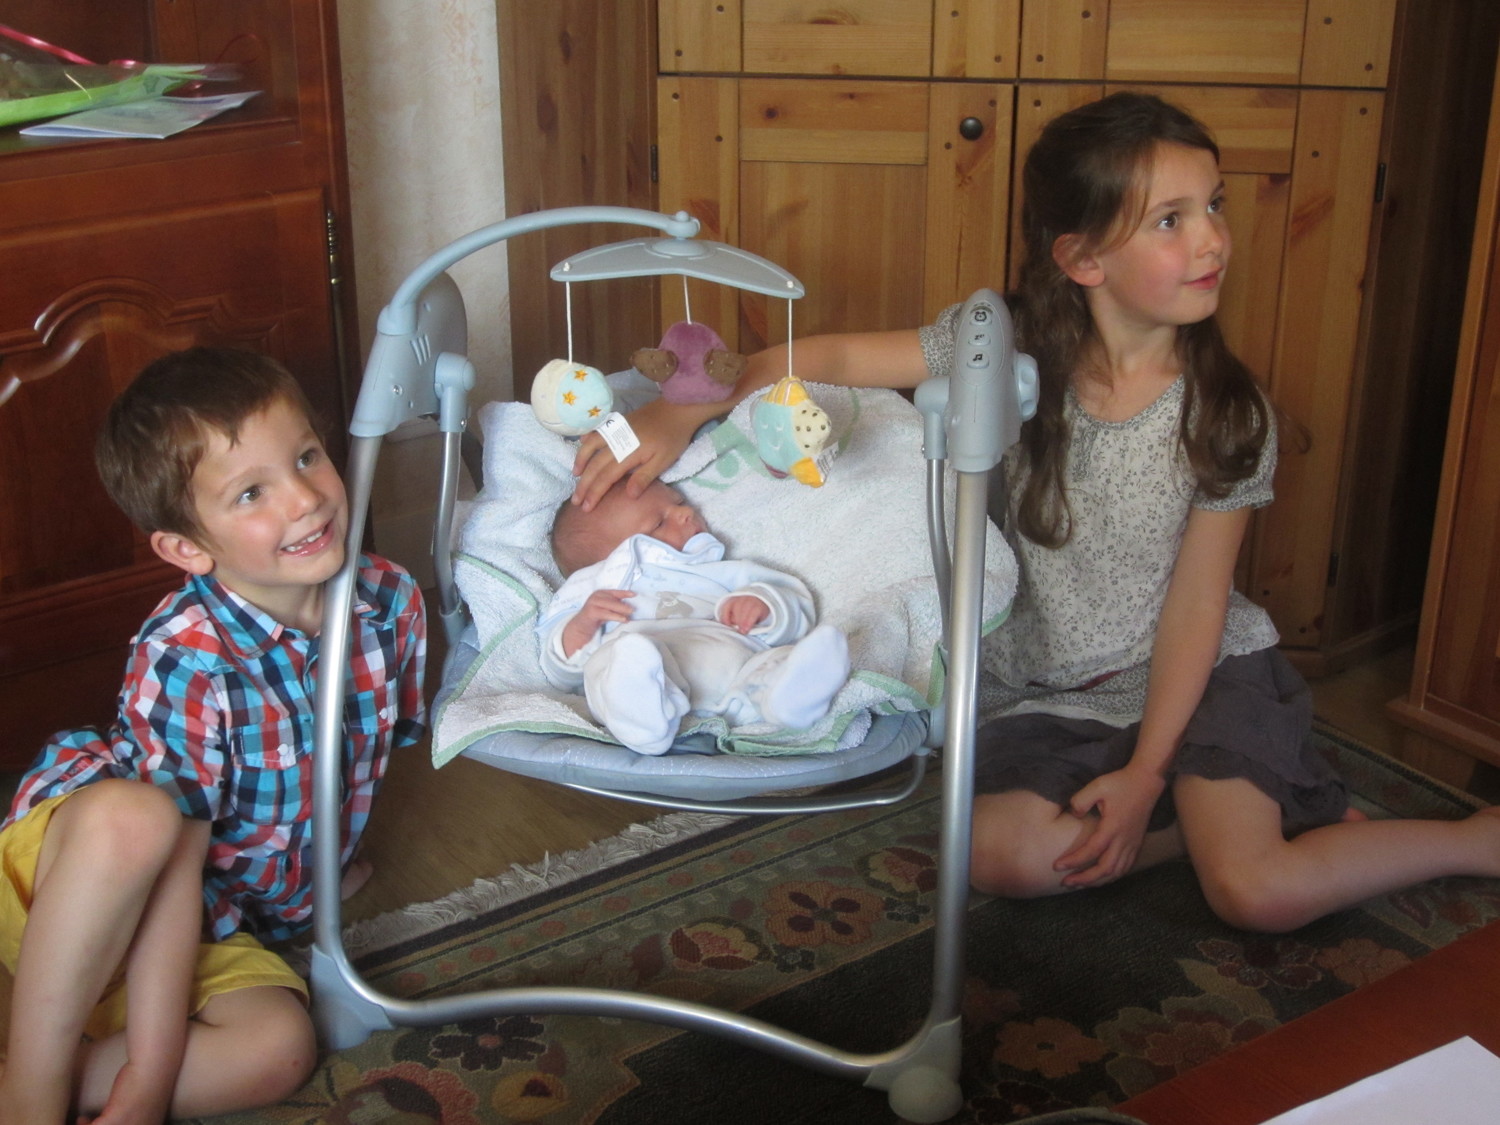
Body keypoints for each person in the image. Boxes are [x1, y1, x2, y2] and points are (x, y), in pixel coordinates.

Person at [568, 91, 1500, 933]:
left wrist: (1144, 772)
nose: (1213, 240)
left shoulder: (1225, 410)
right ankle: (1222, 812)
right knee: (998, 858)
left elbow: (1199, 605)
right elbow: (836, 358)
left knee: (1257, 891)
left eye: (1214, 205)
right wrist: (681, 408)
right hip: (1044, 691)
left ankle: (1464, 840)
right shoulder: (998, 352)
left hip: (1198, 674)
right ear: (1082, 258)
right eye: (1171, 220)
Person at [0, 348, 427, 1124]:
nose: (306, 498)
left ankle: (48, 1060)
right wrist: (149, 1075)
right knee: (136, 818)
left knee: (282, 1046)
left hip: (214, 922)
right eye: (252, 492)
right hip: (92, 885)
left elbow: (355, 761)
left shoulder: (391, 600)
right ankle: (30, 1097)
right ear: (187, 548)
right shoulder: (186, 653)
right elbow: (172, 867)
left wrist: (320, 867)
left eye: (307, 456)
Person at [539, 478, 848, 755]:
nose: (685, 512)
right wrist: (583, 624)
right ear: (613, 556)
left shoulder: (722, 571)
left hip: (731, 666)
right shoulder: (594, 589)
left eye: (679, 502)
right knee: (611, 664)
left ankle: (788, 699)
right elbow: (562, 673)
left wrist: (763, 604)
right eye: (659, 523)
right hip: (644, 666)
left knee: (774, 661)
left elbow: (795, 601)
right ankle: (641, 719)